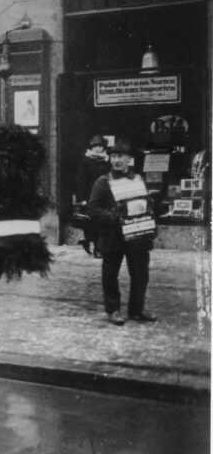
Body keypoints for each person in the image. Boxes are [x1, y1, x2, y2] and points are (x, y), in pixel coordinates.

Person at [88, 140, 157, 326]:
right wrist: (113, 216)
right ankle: (113, 310)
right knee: (110, 275)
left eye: (120, 156)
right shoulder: (103, 182)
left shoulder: (138, 180)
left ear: (129, 159)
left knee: (140, 274)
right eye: (113, 156)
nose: (116, 160)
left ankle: (137, 310)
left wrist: (149, 219)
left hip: (137, 235)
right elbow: (93, 209)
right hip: (113, 236)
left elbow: (146, 204)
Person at [74, 135, 110, 256]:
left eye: (100, 146)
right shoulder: (85, 161)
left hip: (104, 197)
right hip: (90, 197)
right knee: (92, 223)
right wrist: (81, 199)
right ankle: (96, 247)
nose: (98, 148)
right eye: (95, 146)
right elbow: (80, 181)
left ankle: (95, 245)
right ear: (91, 147)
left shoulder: (106, 161)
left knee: (102, 222)